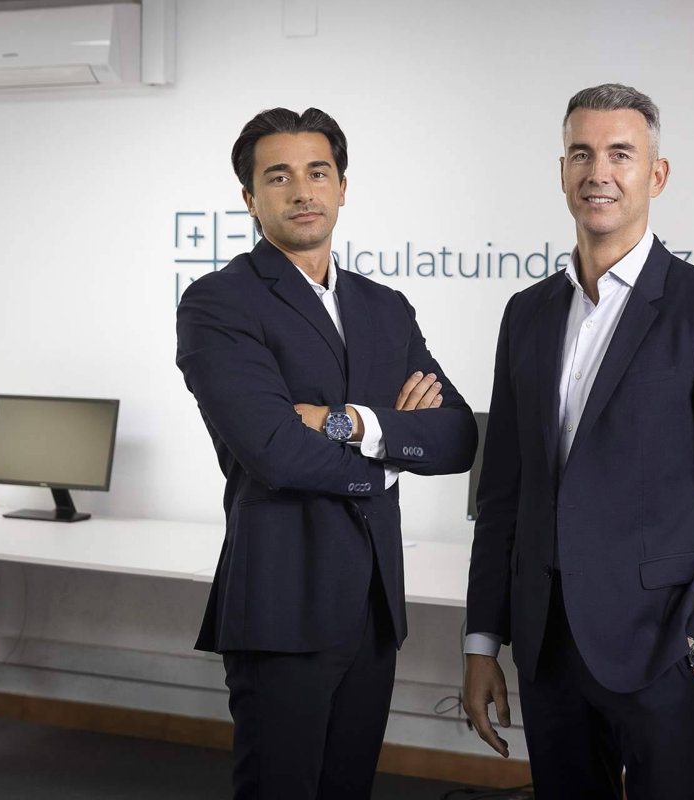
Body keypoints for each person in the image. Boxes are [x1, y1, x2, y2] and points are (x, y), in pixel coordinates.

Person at [462, 83, 694, 800]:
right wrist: (482, 640)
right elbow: (503, 494)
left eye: (620, 154)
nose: (598, 173)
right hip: (547, 651)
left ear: (656, 175)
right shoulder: (526, 315)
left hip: (662, 649)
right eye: (581, 154)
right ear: (562, 172)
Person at [175, 107, 477, 800]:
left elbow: (459, 436)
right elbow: (276, 452)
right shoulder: (219, 302)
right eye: (278, 177)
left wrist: (351, 423)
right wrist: (397, 450)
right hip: (284, 602)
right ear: (251, 198)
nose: (302, 191)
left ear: (342, 187)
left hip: (373, 605)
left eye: (318, 172)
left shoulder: (385, 307)